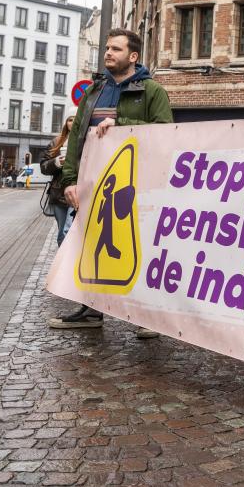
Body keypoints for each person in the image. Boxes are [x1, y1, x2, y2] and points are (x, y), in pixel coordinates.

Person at [48, 29, 173, 334]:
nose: (107, 53)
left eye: (115, 49)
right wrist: (70, 181)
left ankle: (147, 317)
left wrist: (122, 124)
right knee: (91, 250)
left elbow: (166, 134)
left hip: (137, 189)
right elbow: (76, 141)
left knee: (141, 250)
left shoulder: (152, 91)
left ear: (133, 56)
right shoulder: (93, 93)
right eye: (106, 48)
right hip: (95, 189)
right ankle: (91, 311)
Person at [41, 115, 75, 246]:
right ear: (66, 123)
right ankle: (63, 262)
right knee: (62, 231)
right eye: (70, 119)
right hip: (58, 195)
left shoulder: (85, 140)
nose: (72, 122)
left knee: (67, 232)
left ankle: (66, 263)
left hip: (77, 193)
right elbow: (43, 167)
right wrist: (56, 163)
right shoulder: (56, 142)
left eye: (76, 119)